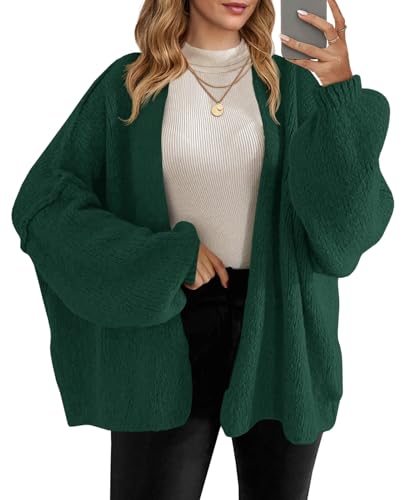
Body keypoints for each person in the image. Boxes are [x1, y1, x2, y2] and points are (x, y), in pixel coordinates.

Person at [11, 0, 394, 499]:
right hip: (165, 326)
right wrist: (163, 258)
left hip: (280, 327)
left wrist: (339, 90)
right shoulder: (129, 86)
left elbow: (348, 232)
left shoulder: (294, 87)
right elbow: (43, 204)